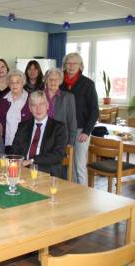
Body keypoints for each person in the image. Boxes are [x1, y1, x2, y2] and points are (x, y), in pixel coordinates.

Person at [60, 52, 99, 185]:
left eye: (74, 63)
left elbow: (95, 110)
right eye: (68, 63)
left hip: (81, 130)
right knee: (66, 165)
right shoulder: (60, 82)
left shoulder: (88, 84)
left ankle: (83, 196)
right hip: (63, 130)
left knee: (79, 165)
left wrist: (86, 132)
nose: (70, 66)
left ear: (80, 66)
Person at [12, 91, 67, 177]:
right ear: (30, 108)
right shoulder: (23, 126)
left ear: (47, 105)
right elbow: (15, 149)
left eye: (41, 104)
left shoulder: (59, 127)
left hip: (47, 172)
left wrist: (32, 161)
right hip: (23, 170)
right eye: (34, 105)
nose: (38, 109)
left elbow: (58, 155)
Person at [0, 69, 32, 154]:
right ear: (8, 84)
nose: (14, 85)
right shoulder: (3, 99)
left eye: (17, 82)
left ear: (23, 83)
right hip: (6, 144)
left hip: (24, 145)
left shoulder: (30, 99)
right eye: (12, 82)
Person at [44, 68, 77, 145]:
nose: (53, 82)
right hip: (41, 138)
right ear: (46, 80)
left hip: (60, 139)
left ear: (60, 81)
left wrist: (70, 144)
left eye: (56, 80)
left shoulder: (68, 97)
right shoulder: (39, 95)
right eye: (50, 79)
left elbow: (72, 122)